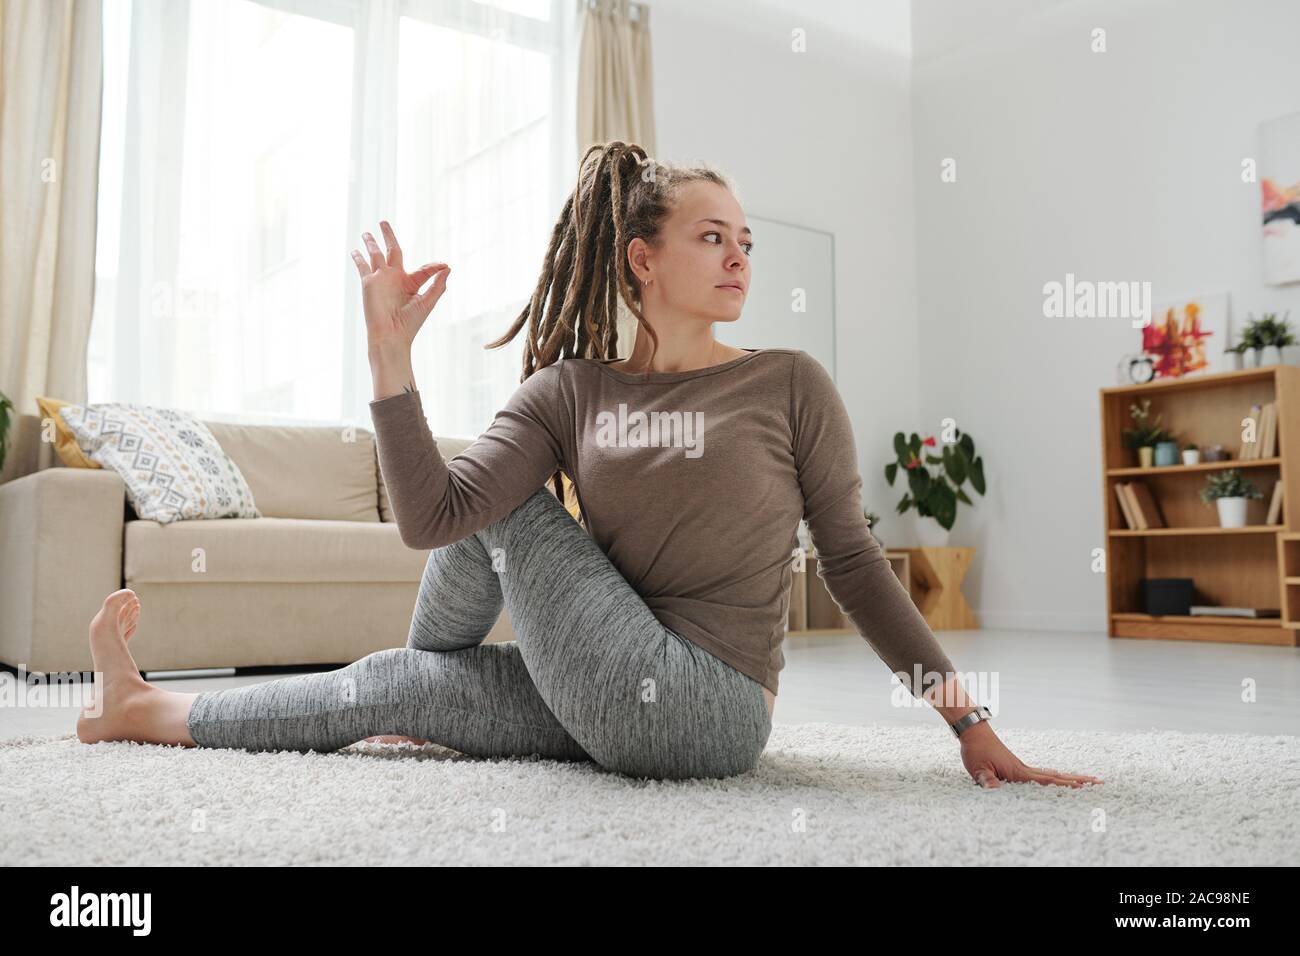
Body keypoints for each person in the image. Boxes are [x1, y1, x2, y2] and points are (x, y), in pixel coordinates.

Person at [77, 140, 1101, 788]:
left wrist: (965, 718)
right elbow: (432, 517)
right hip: (606, 687)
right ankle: (144, 708)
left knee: (510, 507)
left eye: (745, 239)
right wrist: (391, 361)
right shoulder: (572, 391)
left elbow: (850, 560)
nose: (741, 255)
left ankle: (423, 682)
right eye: (713, 237)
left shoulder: (789, 382)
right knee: (397, 682)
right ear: (642, 259)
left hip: (710, 708)